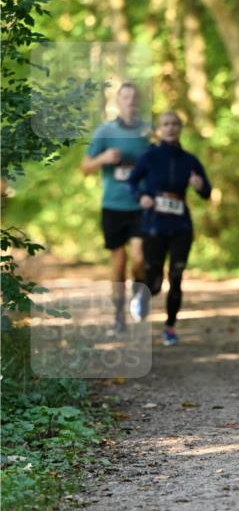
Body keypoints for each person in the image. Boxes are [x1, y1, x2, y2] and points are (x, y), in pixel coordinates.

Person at [128, 111, 211, 345]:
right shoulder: (150, 156)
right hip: (154, 225)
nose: (171, 128)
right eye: (166, 124)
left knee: (176, 276)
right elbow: (132, 182)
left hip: (181, 226)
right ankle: (141, 294)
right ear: (159, 129)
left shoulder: (189, 160)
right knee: (153, 280)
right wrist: (142, 196)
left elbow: (207, 193)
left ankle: (170, 327)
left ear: (181, 128)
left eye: (175, 124)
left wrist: (199, 185)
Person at [82, 82, 151, 334]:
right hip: (112, 205)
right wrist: (102, 159)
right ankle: (119, 315)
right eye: (125, 97)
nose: (130, 101)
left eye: (134, 97)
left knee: (139, 258)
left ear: (139, 102)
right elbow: (85, 167)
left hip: (140, 205)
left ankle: (140, 294)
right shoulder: (104, 132)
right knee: (119, 263)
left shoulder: (148, 132)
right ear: (118, 101)